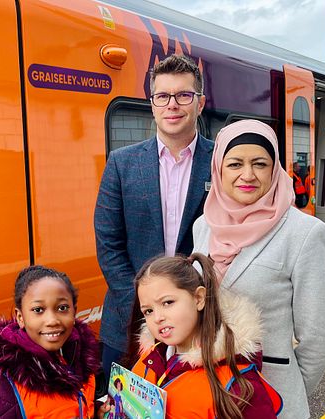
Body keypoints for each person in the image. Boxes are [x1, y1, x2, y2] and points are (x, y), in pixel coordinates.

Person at [192, 119, 325, 418]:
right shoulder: (203, 226)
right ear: (218, 168)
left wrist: (289, 391)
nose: (248, 175)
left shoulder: (304, 233)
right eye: (234, 164)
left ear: (275, 169)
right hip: (205, 395)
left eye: (260, 163)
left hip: (270, 396)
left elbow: (320, 337)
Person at [95, 54, 214, 377]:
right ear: (152, 104)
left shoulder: (221, 161)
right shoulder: (121, 164)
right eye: (162, 96)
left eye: (183, 95)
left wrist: (191, 307)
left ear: (199, 103)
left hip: (200, 327)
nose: (172, 105)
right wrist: (145, 305)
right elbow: (108, 244)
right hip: (128, 326)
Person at [124, 253, 282, 418]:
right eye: (148, 311)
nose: (158, 318)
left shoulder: (238, 385)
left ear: (199, 298)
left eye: (168, 302)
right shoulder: (149, 357)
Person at [0, 266, 104, 418]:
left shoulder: (80, 358)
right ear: (20, 317)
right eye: (38, 310)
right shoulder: (3, 384)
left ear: (74, 311)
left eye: (62, 307)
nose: (52, 320)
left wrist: (96, 412)